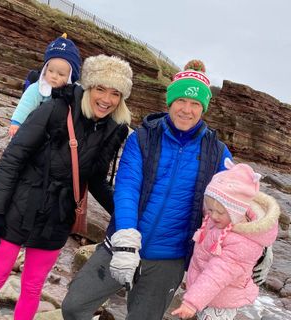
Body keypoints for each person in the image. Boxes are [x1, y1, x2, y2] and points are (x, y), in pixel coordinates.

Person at [62, 60, 234, 320]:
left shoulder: (217, 152)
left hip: (169, 259)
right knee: (74, 307)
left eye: (195, 104)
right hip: (121, 244)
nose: (187, 110)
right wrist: (127, 239)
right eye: (181, 102)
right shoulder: (143, 137)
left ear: (203, 108)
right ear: (170, 102)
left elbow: (239, 200)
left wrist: (259, 244)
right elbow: (127, 187)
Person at [0, 54, 133, 320]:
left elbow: (95, 179)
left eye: (115, 93)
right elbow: (14, 157)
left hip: (58, 215)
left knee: (33, 288)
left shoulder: (114, 129)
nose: (107, 99)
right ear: (89, 87)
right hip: (20, 205)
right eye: (100, 89)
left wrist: (127, 216)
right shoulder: (58, 107)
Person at [171, 159, 279, 320]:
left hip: (221, 301)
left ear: (237, 211)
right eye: (210, 209)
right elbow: (214, 205)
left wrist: (191, 303)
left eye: (219, 212)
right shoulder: (221, 219)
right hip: (206, 294)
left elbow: (217, 274)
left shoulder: (242, 243)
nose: (212, 215)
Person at [8, 33, 81, 137]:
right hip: (33, 128)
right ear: (45, 69)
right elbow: (25, 105)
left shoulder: (73, 93)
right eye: (51, 71)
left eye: (61, 74)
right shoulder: (37, 89)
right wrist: (16, 123)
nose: (54, 76)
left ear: (70, 77)